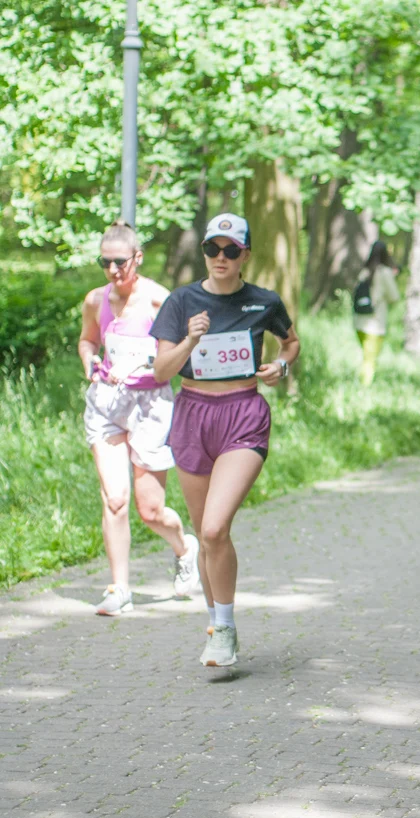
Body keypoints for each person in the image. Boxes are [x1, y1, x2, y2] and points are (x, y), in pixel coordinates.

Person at [151, 213, 300, 667]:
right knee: (205, 534)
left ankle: (227, 625)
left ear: (245, 255)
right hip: (193, 415)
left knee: (216, 528)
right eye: (212, 249)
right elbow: (160, 372)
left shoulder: (263, 301)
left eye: (231, 250)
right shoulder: (181, 302)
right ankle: (216, 627)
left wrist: (281, 366)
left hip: (243, 415)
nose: (221, 257)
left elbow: (291, 342)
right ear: (204, 252)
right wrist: (190, 340)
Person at [78, 220, 200, 616]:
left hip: (150, 405)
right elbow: (88, 340)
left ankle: (185, 548)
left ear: (138, 258)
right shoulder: (95, 300)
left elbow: (179, 353)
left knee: (150, 511)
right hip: (107, 403)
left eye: (120, 262)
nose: (113, 270)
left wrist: (145, 364)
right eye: (105, 262)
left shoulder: (159, 300)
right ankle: (119, 589)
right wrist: (90, 362)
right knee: (115, 499)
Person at [352, 240, 400, 386]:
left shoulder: (364, 272)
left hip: (359, 321)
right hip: (375, 323)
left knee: (366, 356)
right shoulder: (385, 273)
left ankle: (362, 383)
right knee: (370, 359)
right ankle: (364, 387)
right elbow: (394, 297)